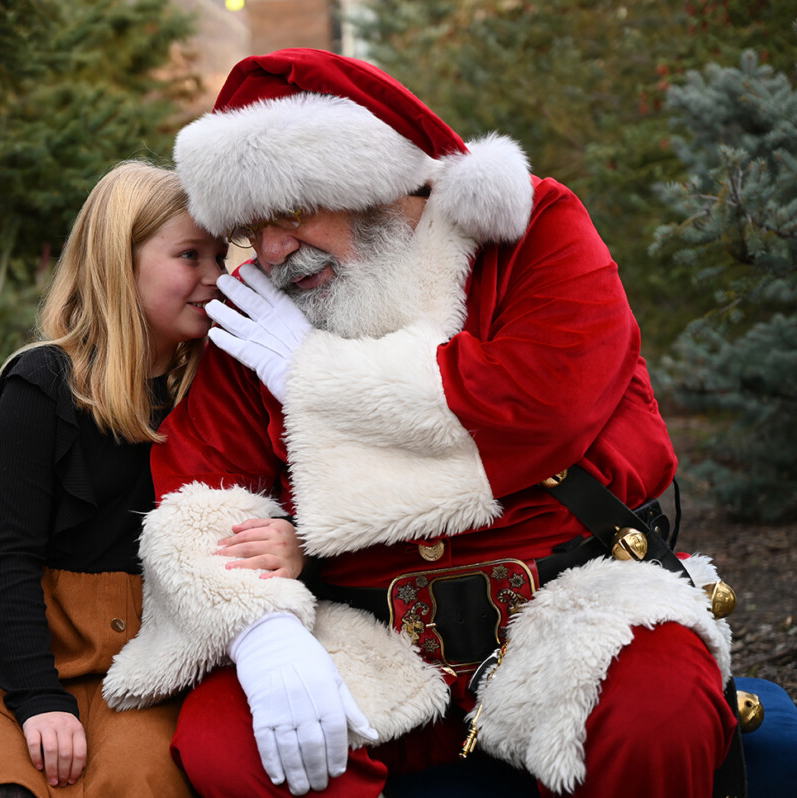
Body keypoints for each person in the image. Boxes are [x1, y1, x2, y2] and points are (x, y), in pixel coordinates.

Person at [103, 50, 739, 797]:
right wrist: (261, 630)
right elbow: (199, 492)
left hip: (571, 599)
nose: (273, 251)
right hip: (365, 628)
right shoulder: (260, 313)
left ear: (372, 183)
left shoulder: (533, 229)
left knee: (660, 714)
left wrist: (310, 373)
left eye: (293, 212)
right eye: (251, 227)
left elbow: (537, 410)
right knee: (230, 744)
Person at [0, 161, 300, 798]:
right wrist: (37, 699)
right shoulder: (41, 386)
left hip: (155, 661)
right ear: (117, 262)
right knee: (2, 787)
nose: (216, 276)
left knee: (142, 779)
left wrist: (292, 544)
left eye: (220, 255)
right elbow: (7, 557)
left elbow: (277, 495)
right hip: (36, 658)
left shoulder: (218, 390)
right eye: (190, 255)